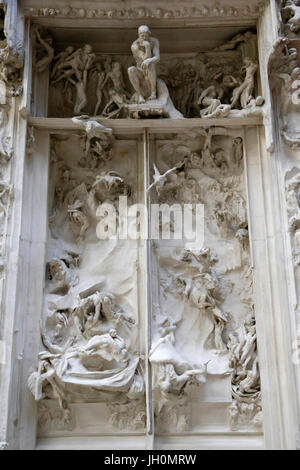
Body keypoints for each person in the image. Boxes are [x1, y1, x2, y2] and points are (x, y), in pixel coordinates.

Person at [128, 25, 160, 103]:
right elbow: (144, 58)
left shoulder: (154, 41)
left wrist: (149, 60)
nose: (144, 37)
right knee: (130, 70)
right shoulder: (135, 45)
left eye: (146, 35)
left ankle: (153, 92)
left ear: (149, 34)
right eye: (142, 35)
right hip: (140, 71)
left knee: (150, 64)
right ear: (139, 35)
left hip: (150, 70)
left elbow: (157, 57)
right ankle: (140, 96)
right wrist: (147, 46)